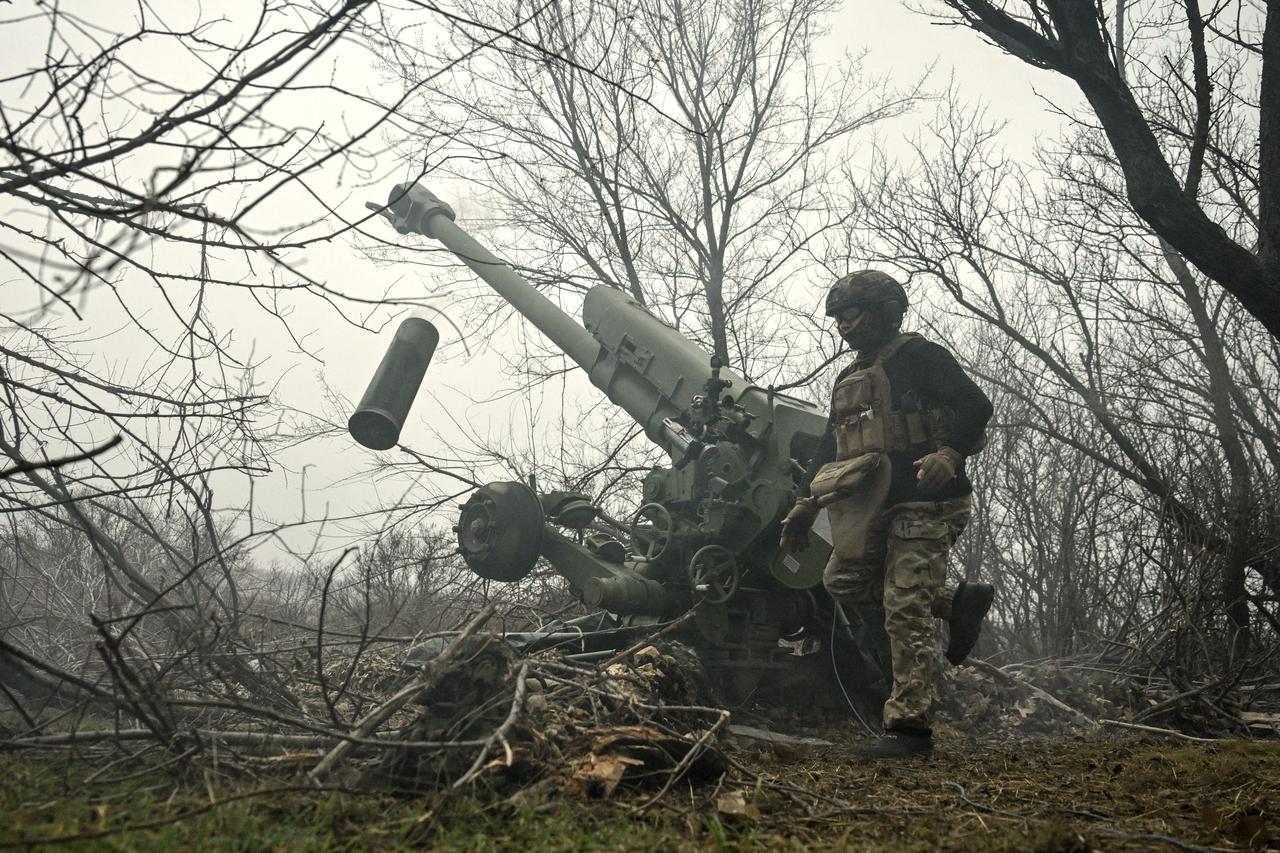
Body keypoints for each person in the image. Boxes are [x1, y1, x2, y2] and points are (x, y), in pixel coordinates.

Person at [780, 270, 995, 759]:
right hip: (872, 505)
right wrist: (802, 503)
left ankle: (910, 729)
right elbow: (829, 448)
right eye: (836, 319)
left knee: (903, 606)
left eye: (850, 315)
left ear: (882, 311)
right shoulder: (849, 379)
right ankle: (953, 600)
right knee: (843, 582)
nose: (843, 327)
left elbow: (975, 405)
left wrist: (949, 453)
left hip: (927, 499)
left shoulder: (920, 356)